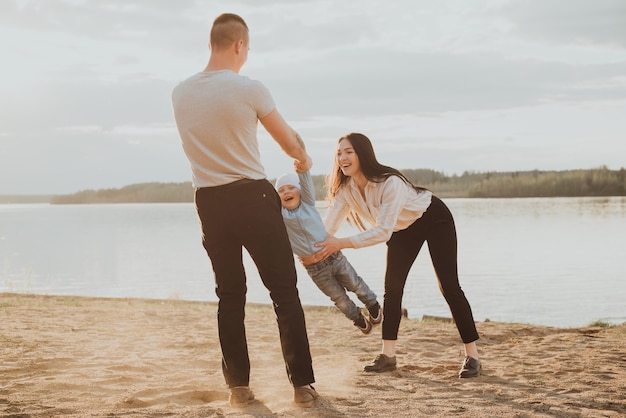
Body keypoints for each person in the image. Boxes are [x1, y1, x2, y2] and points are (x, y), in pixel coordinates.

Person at [171, 13, 318, 408]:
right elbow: (288, 142)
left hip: (209, 203)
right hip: (252, 196)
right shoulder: (249, 88)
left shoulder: (180, 93)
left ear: (211, 43)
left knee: (229, 294)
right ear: (239, 45)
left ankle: (238, 387)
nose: (247, 54)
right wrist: (302, 157)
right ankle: (302, 386)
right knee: (284, 291)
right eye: (248, 47)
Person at [313, 133, 482, 378]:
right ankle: (388, 356)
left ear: (363, 154)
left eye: (348, 152)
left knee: (449, 286)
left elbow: (382, 231)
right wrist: (306, 243)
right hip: (401, 230)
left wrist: (340, 244)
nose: (342, 157)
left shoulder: (390, 182)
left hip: (433, 218)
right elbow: (326, 229)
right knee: (392, 290)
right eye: (339, 153)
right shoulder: (345, 190)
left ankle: (473, 357)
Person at [275, 170, 382, 334]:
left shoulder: (308, 203)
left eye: (290, 187)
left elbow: (306, 181)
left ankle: (373, 305)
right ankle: (358, 319)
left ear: (301, 191)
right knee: (339, 299)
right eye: (281, 191)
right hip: (314, 269)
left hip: (334, 257)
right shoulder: (281, 216)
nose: (286, 192)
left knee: (356, 284)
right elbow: (266, 203)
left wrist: (302, 167)